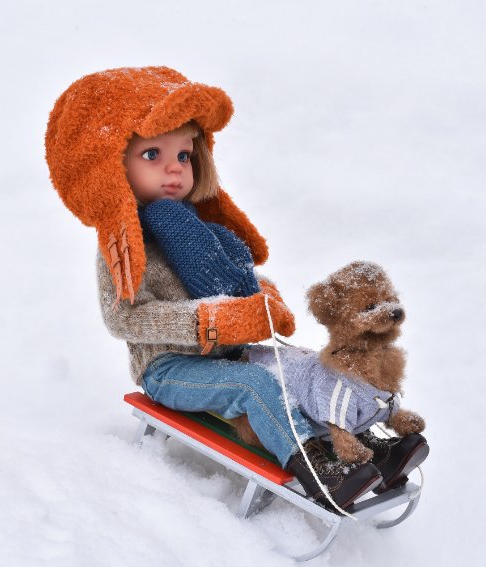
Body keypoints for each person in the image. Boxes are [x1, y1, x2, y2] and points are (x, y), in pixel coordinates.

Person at [45, 66, 408, 510]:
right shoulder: (121, 248)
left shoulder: (199, 226)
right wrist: (209, 323)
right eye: (152, 155)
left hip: (226, 353)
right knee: (254, 385)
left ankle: (366, 438)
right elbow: (123, 317)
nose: (174, 170)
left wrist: (264, 297)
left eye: (183, 156)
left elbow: (231, 277)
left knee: (298, 370)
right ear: (114, 165)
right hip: (169, 370)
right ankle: (316, 468)